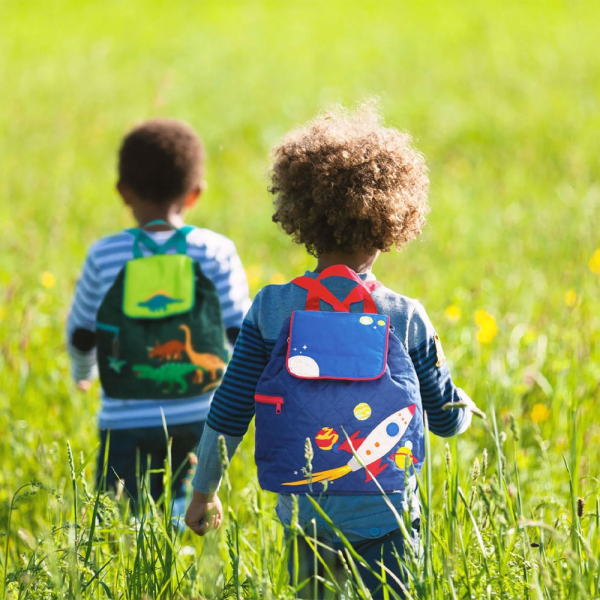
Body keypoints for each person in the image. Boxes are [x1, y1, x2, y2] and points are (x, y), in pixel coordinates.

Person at [185, 103, 475, 598]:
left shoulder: (273, 309)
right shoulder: (405, 316)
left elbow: (229, 410)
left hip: (305, 510)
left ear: (303, 217)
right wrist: (465, 409)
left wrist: (204, 490)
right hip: (386, 514)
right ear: (391, 222)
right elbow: (445, 418)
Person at [67, 118, 250, 515]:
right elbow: (240, 331)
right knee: (195, 512)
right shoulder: (215, 251)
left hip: (124, 417)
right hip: (201, 414)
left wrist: (83, 373)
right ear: (195, 194)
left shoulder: (105, 255)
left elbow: (82, 332)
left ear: (122, 192)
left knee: (124, 521)